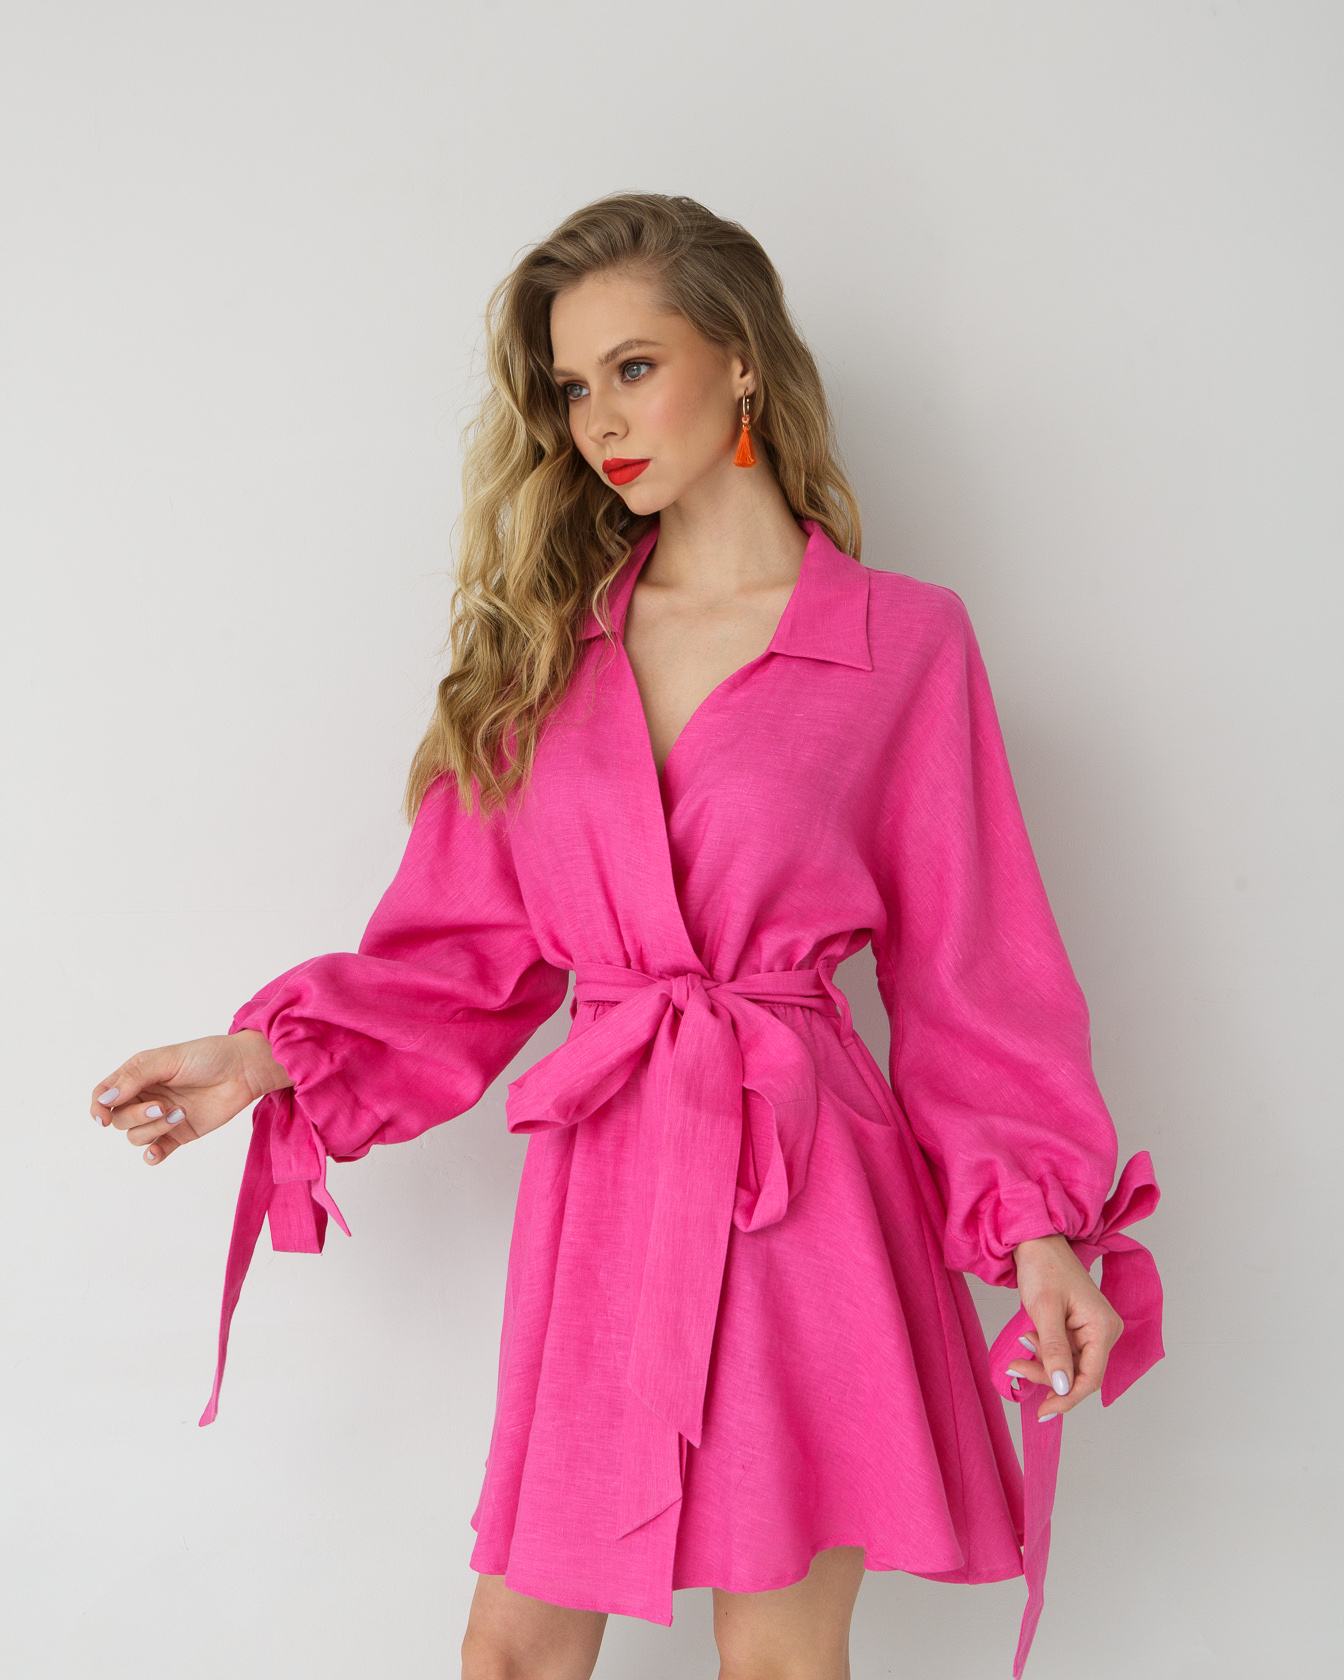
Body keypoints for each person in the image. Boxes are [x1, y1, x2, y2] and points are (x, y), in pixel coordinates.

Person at [90, 192, 1163, 1680]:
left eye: (635, 366)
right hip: (605, 1190)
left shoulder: (902, 643)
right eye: (572, 385)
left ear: (742, 361)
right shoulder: (546, 650)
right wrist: (268, 1054)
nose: (599, 417)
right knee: (514, 1649)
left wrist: (1040, 1228)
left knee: (778, 1660)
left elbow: (973, 974)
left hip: (804, 1185)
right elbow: (462, 952)